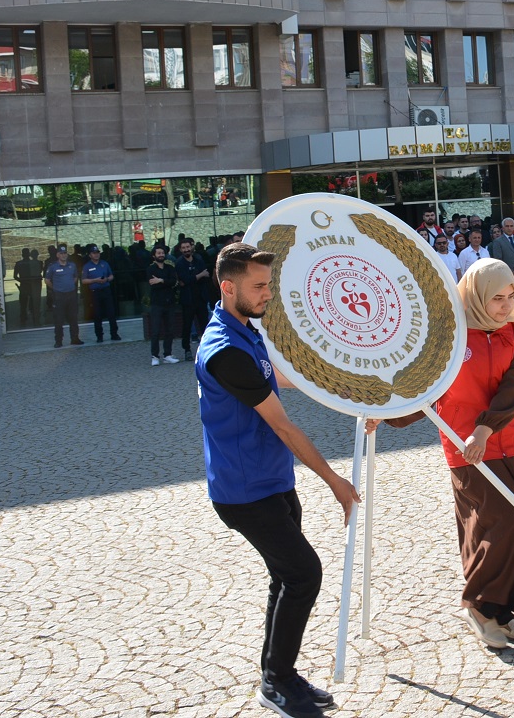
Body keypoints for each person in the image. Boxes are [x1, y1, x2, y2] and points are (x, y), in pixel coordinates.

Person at [198, 243, 360, 718]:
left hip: (272, 481)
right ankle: (277, 680)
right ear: (229, 288)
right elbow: (284, 425)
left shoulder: (245, 330)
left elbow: (281, 375)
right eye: (259, 286)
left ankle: (278, 674)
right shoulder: (224, 350)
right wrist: (334, 480)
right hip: (244, 492)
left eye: (269, 283)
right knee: (304, 573)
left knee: (285, 577)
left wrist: (350, 391)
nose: (269, 293)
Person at [372, 258, 514, 650]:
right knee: (494, 524)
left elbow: (512, 391)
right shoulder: (449, 337)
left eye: (510, 295)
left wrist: (487, 428)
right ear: (476, 295)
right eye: (496, 297)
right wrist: (386, 412)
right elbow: (426, 389)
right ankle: (479, 606)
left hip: (510, 439)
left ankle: (503, 612)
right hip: (465, 445)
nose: (504, 304)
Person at [175, 239, 212, 360]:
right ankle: (187, 349)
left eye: (187, 247)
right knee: (187, 326)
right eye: (183, 248)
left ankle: (207, 348)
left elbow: (206, 275)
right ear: (180, 249)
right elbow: (185, 280)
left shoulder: (198, 260)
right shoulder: (179, 263)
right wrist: (199, 276)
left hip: (200, 298)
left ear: (191, 247)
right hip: (188, 299)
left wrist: (194, 278)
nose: (186, 249)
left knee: (204, 325)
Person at [147, 244, 181, 365]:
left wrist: (161, 280)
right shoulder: (151, 269)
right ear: (154, 256)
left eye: (162, 253)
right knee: (155, 331)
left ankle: (167, 354)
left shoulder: (170, 268)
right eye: (158, 253)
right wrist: (166, 282)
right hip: (157, 304)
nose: (161, 255)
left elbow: (174, 282)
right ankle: (155, 356)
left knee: (169, 330)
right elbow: (152, 283)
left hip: (170, 303)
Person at [44, 245, 82, 347]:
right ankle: (58, 341)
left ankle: (75, 338)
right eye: (61, 253)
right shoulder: (53, 266)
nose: (63, 255)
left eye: (65, 253)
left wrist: (69, 285)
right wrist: (56, 288)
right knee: (59, 320)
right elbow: (47, 280)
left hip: (71, 295)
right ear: (57, 255)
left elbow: (75, 277)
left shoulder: (72, 265)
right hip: (59, 296)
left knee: (73, 318)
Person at [81, 245, 120, 342]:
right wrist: (95, 280)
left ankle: (114, 334)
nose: (96, 254)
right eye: (94, 253)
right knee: (97, 314)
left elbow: (111, 276)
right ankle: (99, 336)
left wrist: (106, 279)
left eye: (97, 252)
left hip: (106, 290)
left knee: (111, 313)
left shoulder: (105, 263)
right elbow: (83, 281)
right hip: (95, 292)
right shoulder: (87, 266)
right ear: (90, 255)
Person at [13, 247, 42, 328]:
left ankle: (24, 319)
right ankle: (34, 319)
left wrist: (22, 281)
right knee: (31, 304)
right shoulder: (35, 263)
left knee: (23, 304)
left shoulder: (19, 263)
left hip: (25, 285)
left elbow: (15, 276)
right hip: (30, 285)